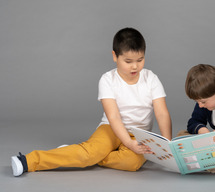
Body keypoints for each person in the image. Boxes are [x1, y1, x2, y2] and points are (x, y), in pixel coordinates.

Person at [11, 27, 172, 177]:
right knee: (87, 154)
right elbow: (114, 117)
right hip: (111, 128)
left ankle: (75, 153)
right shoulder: (107, 79)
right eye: (128, 61)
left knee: (133, 163)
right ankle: (29, 161)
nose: (135, 66)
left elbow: (162, 113)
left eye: (140, 59)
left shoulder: (151, 78)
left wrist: (167, 144)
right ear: (115, 56)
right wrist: (128, 143)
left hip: (140, 132)